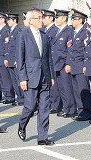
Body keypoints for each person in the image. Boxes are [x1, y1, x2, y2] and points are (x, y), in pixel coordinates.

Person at [17, 8, 55, 145]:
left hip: (44, 76)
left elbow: (48, 58)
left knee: (44, 107)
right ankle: (22, 124)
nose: (41, 20)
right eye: (38, 18)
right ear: (30, 20)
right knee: (31, 106)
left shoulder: (45, 35)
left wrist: (51, 76)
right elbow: (20, 58)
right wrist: (22, 78)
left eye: (41, 17)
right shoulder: (23, 35)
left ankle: (42, 136)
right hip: (30, 76)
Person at [68, 9, 91, 121]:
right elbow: (70, 50)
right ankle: (80, 110)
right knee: (77, 90)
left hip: (81, 64)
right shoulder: (73, 32)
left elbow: (86, 50)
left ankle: (87, 112)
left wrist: (85, 64)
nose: (72, 21)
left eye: (74, 19)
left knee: (84, 90)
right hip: (74, 65)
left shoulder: (85, 32)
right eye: (72, 19)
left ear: (80, 20)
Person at [51, 9, 76, 118]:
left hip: (64, 63)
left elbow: (70, 49)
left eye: (58, 17)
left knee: (67, 87)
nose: (56, 19)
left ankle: (71, 109)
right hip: (57, 63)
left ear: (64, 18)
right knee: (61, 87)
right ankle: (66, 107)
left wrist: (68, 63)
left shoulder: (68, 31)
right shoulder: (58, 30)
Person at [41, 9, 62, 114]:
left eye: (45, 17)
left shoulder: (54, 30)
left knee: (54, 85)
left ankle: (56, 105)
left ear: (50, 18)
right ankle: (51, 103)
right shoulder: (45, 29)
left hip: (54, 60)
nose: (43, 19)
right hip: (47, 60)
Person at [0, 11, 15, 104]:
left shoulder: (6, 30)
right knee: (1, 78)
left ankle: (9, 96)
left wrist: (6, 57)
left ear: (3, 20)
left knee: (6, 78)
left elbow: (6, 45)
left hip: (2, 57)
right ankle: (6, 95)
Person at [5, 13, 24, 106]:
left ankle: (22, 98)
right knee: (14, 80)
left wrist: (17, 59)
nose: (8, 22)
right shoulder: (11, 31)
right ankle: (19, 97)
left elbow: (18, 47)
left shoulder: (17, 31)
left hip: (15, 60)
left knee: (18, 79)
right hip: (11, 60)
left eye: (9, 20)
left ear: (14, 20)